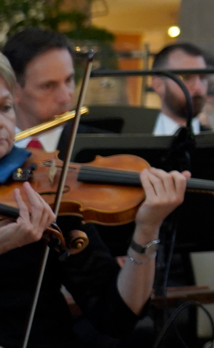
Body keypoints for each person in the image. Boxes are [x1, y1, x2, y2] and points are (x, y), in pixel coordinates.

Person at [0, 54, 188, 348]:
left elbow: (115, 316)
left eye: (5, 108)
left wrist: (147, 229)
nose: (2, 124)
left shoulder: (43, 189)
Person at [1, 27, 79, 153]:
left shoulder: (102, 148)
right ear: (14, 89)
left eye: (69, 80)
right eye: (48, 86)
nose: (65, 97)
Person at [150, 41, 212, 136]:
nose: (198, 87)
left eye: (203, 77)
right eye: (186, 77)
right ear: (158, 85)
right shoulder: (133, 139)